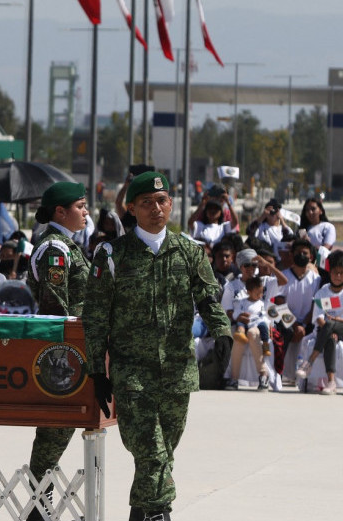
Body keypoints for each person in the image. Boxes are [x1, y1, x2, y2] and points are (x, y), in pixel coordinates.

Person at [84, 172, 232, 521]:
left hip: (178, 371)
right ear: (131, 208)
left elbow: (209, 298)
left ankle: (140, 512)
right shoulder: (111, 255)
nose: (156, 208)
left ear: (170, 204)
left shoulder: (189, 252)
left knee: (163, 450)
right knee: (151, 450)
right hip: (132, 372)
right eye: (146, 203)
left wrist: (222, 331)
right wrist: (95, 369)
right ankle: (159, 513)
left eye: (162, 200)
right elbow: (95, 317)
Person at [22, 181, 90, 520]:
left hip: (72, 348)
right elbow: (55, 304)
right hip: (62, 352)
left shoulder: (67, 246)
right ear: (60, 211)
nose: (87, 211)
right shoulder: (55, 249)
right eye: (80, 206)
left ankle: (41, 499)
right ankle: (39, 502)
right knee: (53, 429)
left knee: (60, 428)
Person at [296, 251, 343, 395]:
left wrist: (336, 322)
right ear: (329, 272)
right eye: (334, 272)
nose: (338, 276)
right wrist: (329, 327)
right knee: (331, 337)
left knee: (330, 326)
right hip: (326, 330)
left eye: (341, 273)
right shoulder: (323, 292)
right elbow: (318, 318)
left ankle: (309, 361)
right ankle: (331, 382)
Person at [275, 239, 321, 383]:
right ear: (292, 254)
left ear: (311, 257)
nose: (301, 255)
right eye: (298, 252)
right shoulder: (284, 276)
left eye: (305, 253)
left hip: (308, 324)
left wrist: (303, 326)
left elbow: (316, 305)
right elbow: (279, 304)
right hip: (287, 323)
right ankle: (278, 373)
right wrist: (295, 326)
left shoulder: (316, 279)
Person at [230, 276, 272, 391]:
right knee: (239, 338)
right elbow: (236, 313)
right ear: (249, 292)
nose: (259, 295)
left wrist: (261, 323)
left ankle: (263, 374)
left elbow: (266, 317)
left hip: (256, 326)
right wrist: (240, 316)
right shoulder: (241, 301)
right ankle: (234, 378)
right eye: (257, 292)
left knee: (252, 334)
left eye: (261, 292)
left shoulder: (262, 303)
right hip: (244, 323)